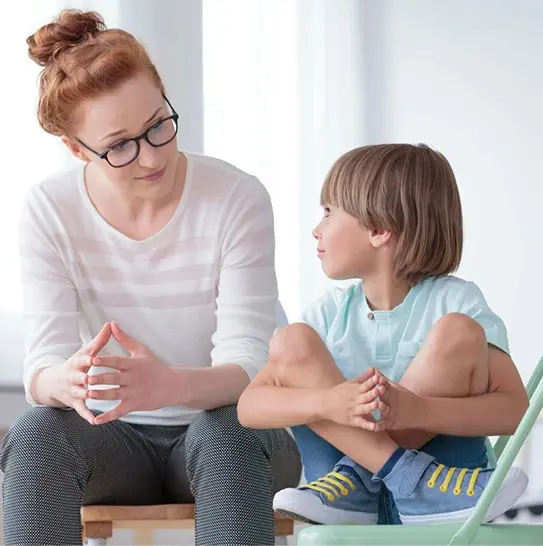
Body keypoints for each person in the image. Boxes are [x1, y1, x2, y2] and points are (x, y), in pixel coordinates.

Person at [0, 9, 301, 546]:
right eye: (119, 146)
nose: (151, 156)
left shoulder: (236, 197)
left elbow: (250, 368)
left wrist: (170, 385)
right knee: (37, 434)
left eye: (159, 124)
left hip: (227, 435)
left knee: (227, 428)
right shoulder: (50, 209)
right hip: (115, 445)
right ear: (76, 149)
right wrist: (63, 381)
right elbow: (40, 371)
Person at [238, 143, 529, 525]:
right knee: (291, 340)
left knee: (457, 332)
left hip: (448, 499)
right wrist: (329, 403)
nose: (316, 229)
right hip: (345, 503)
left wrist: (419, 409)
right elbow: (249, 407)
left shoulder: (456, 303)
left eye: (329, 213)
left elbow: (515, 412)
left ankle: (366, 478)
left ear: (378, 229)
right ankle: (386, 481)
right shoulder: (326, 316)